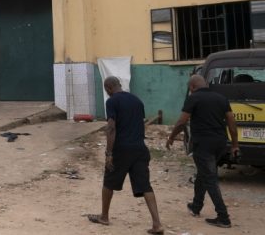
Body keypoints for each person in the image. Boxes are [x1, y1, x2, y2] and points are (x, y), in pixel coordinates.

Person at [86, 77, 163, 234]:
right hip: (140, 148)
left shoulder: (112, 102)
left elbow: (111, 128)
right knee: (145, 186)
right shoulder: (137, 100)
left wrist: (109, 153)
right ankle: (157, 224)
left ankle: (104, 217)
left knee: (109, 182)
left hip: (121, 149)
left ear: (108, 88)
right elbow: (140, 124)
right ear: (119, 85)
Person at [166, 75, 239, 229]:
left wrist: (171, 137)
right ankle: (196, 206)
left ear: (192, 87)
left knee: (209, 178)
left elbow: (182, 121)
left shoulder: (193, 98)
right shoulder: (221, 98)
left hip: (203, 144)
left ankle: (223, 217)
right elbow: (232, 123)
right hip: (220, 143)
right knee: (203, 173)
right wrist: (235, 145)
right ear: (205, 84)